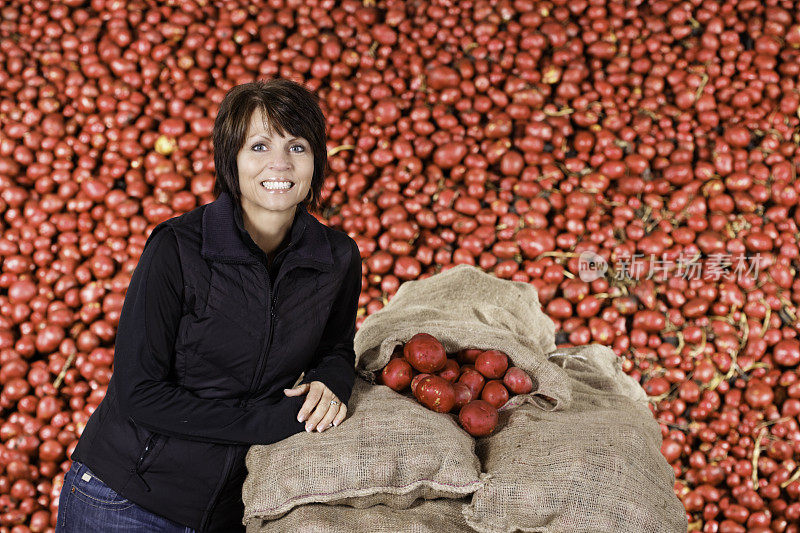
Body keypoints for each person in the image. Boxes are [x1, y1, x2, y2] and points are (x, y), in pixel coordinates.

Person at [55, 79, 362, 532]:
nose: (279, 163)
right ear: (230, 159)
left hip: (230, 512)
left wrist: (330, 379)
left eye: (297, 147)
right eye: (258, 146)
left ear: (316, 161)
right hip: (126, 500)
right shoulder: (178, 248)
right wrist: (267, 423)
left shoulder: (336, 257)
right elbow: (138, 392)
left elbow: (336, 345)